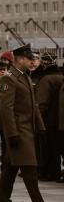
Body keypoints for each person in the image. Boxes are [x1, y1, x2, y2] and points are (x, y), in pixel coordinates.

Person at [0, 44, 59, 202]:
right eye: (29, 59)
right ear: (20, 59)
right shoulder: (10, 78)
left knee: (9, 168)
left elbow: (33, 105)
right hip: (19, 130)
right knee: (29, 167)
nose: (32, 62)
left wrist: (41, 127)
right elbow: (6, 109)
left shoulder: (23, 76)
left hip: (26, 129)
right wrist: (12, 134)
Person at [36, 53, 63, 182]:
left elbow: (42, 102)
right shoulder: (61, 77)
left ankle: (50, 172)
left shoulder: (46, 79)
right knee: (57, 148)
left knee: (49, 148)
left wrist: (38, 119)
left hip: (49, 120)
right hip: (59, 119)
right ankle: (56, 171)